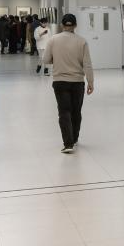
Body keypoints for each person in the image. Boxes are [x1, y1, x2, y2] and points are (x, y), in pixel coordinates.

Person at [43, 14, 93, 154]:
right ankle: (75, 138)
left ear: (61, 25)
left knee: (64, 112)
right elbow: (87, 64)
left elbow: (45, 59)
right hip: (77, 82)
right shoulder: (82, 41)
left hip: (60, 82)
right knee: (76, 111)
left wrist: (56, 59)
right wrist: (90, 82)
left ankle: (68, 143)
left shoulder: (53, 40)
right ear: (75, 25)